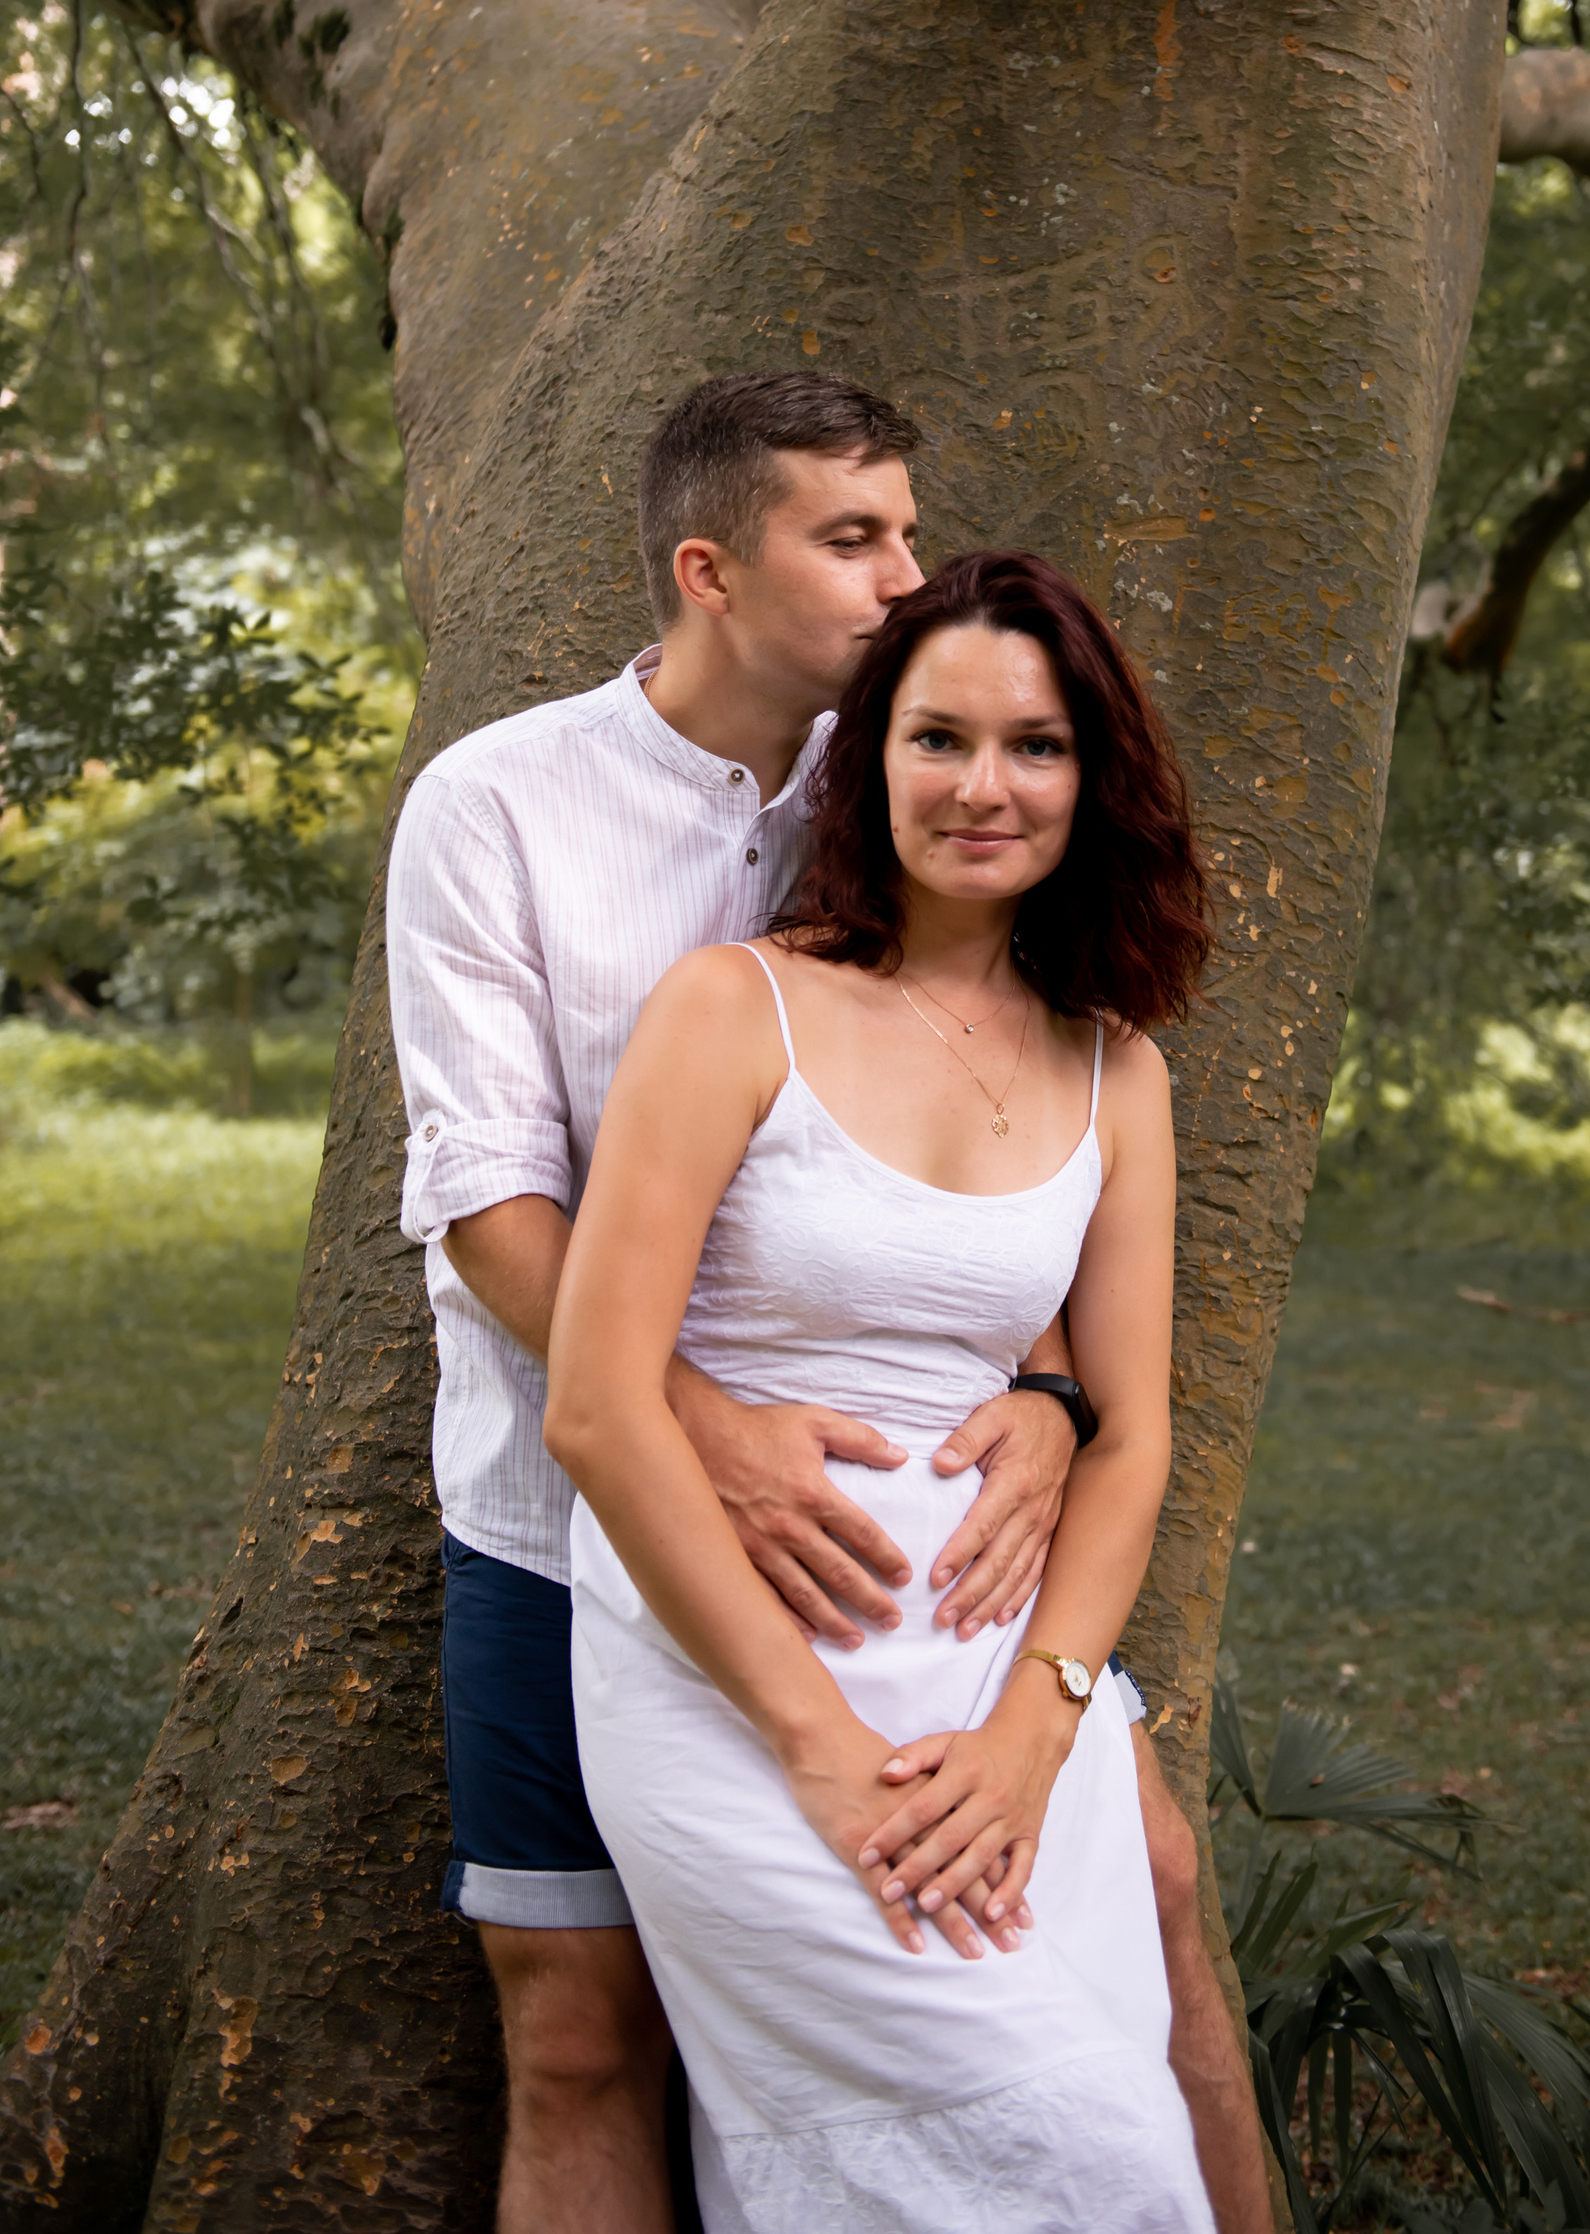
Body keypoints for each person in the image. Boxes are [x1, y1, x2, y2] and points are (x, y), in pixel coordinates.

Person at [388, 374, 1269, 2232]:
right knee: (577, 2027)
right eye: (854, 538)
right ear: (711, 571)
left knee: (1148, 1903)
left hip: (938, 1580)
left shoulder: (894, 790)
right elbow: (483, 1200)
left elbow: (966, 1172)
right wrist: (696, 1427)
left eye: (910, 532)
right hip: (562, 1512)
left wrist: (1053, 1400)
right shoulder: (503, 805)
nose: (905, 576)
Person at [546, 550, 1220, 2231]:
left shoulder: (1117, 1071)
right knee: (1079, 2151)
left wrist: (1035, 1732)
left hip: (1007, 1685)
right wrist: (819, 1743)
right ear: (870, 760)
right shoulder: (737, 1008)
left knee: (1106, 2107)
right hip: (736, 1677)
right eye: (940, 739)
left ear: (1097, 777)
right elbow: (600, 1406)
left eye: (1037, 746)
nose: (986, 787)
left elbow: (1132, 1434)